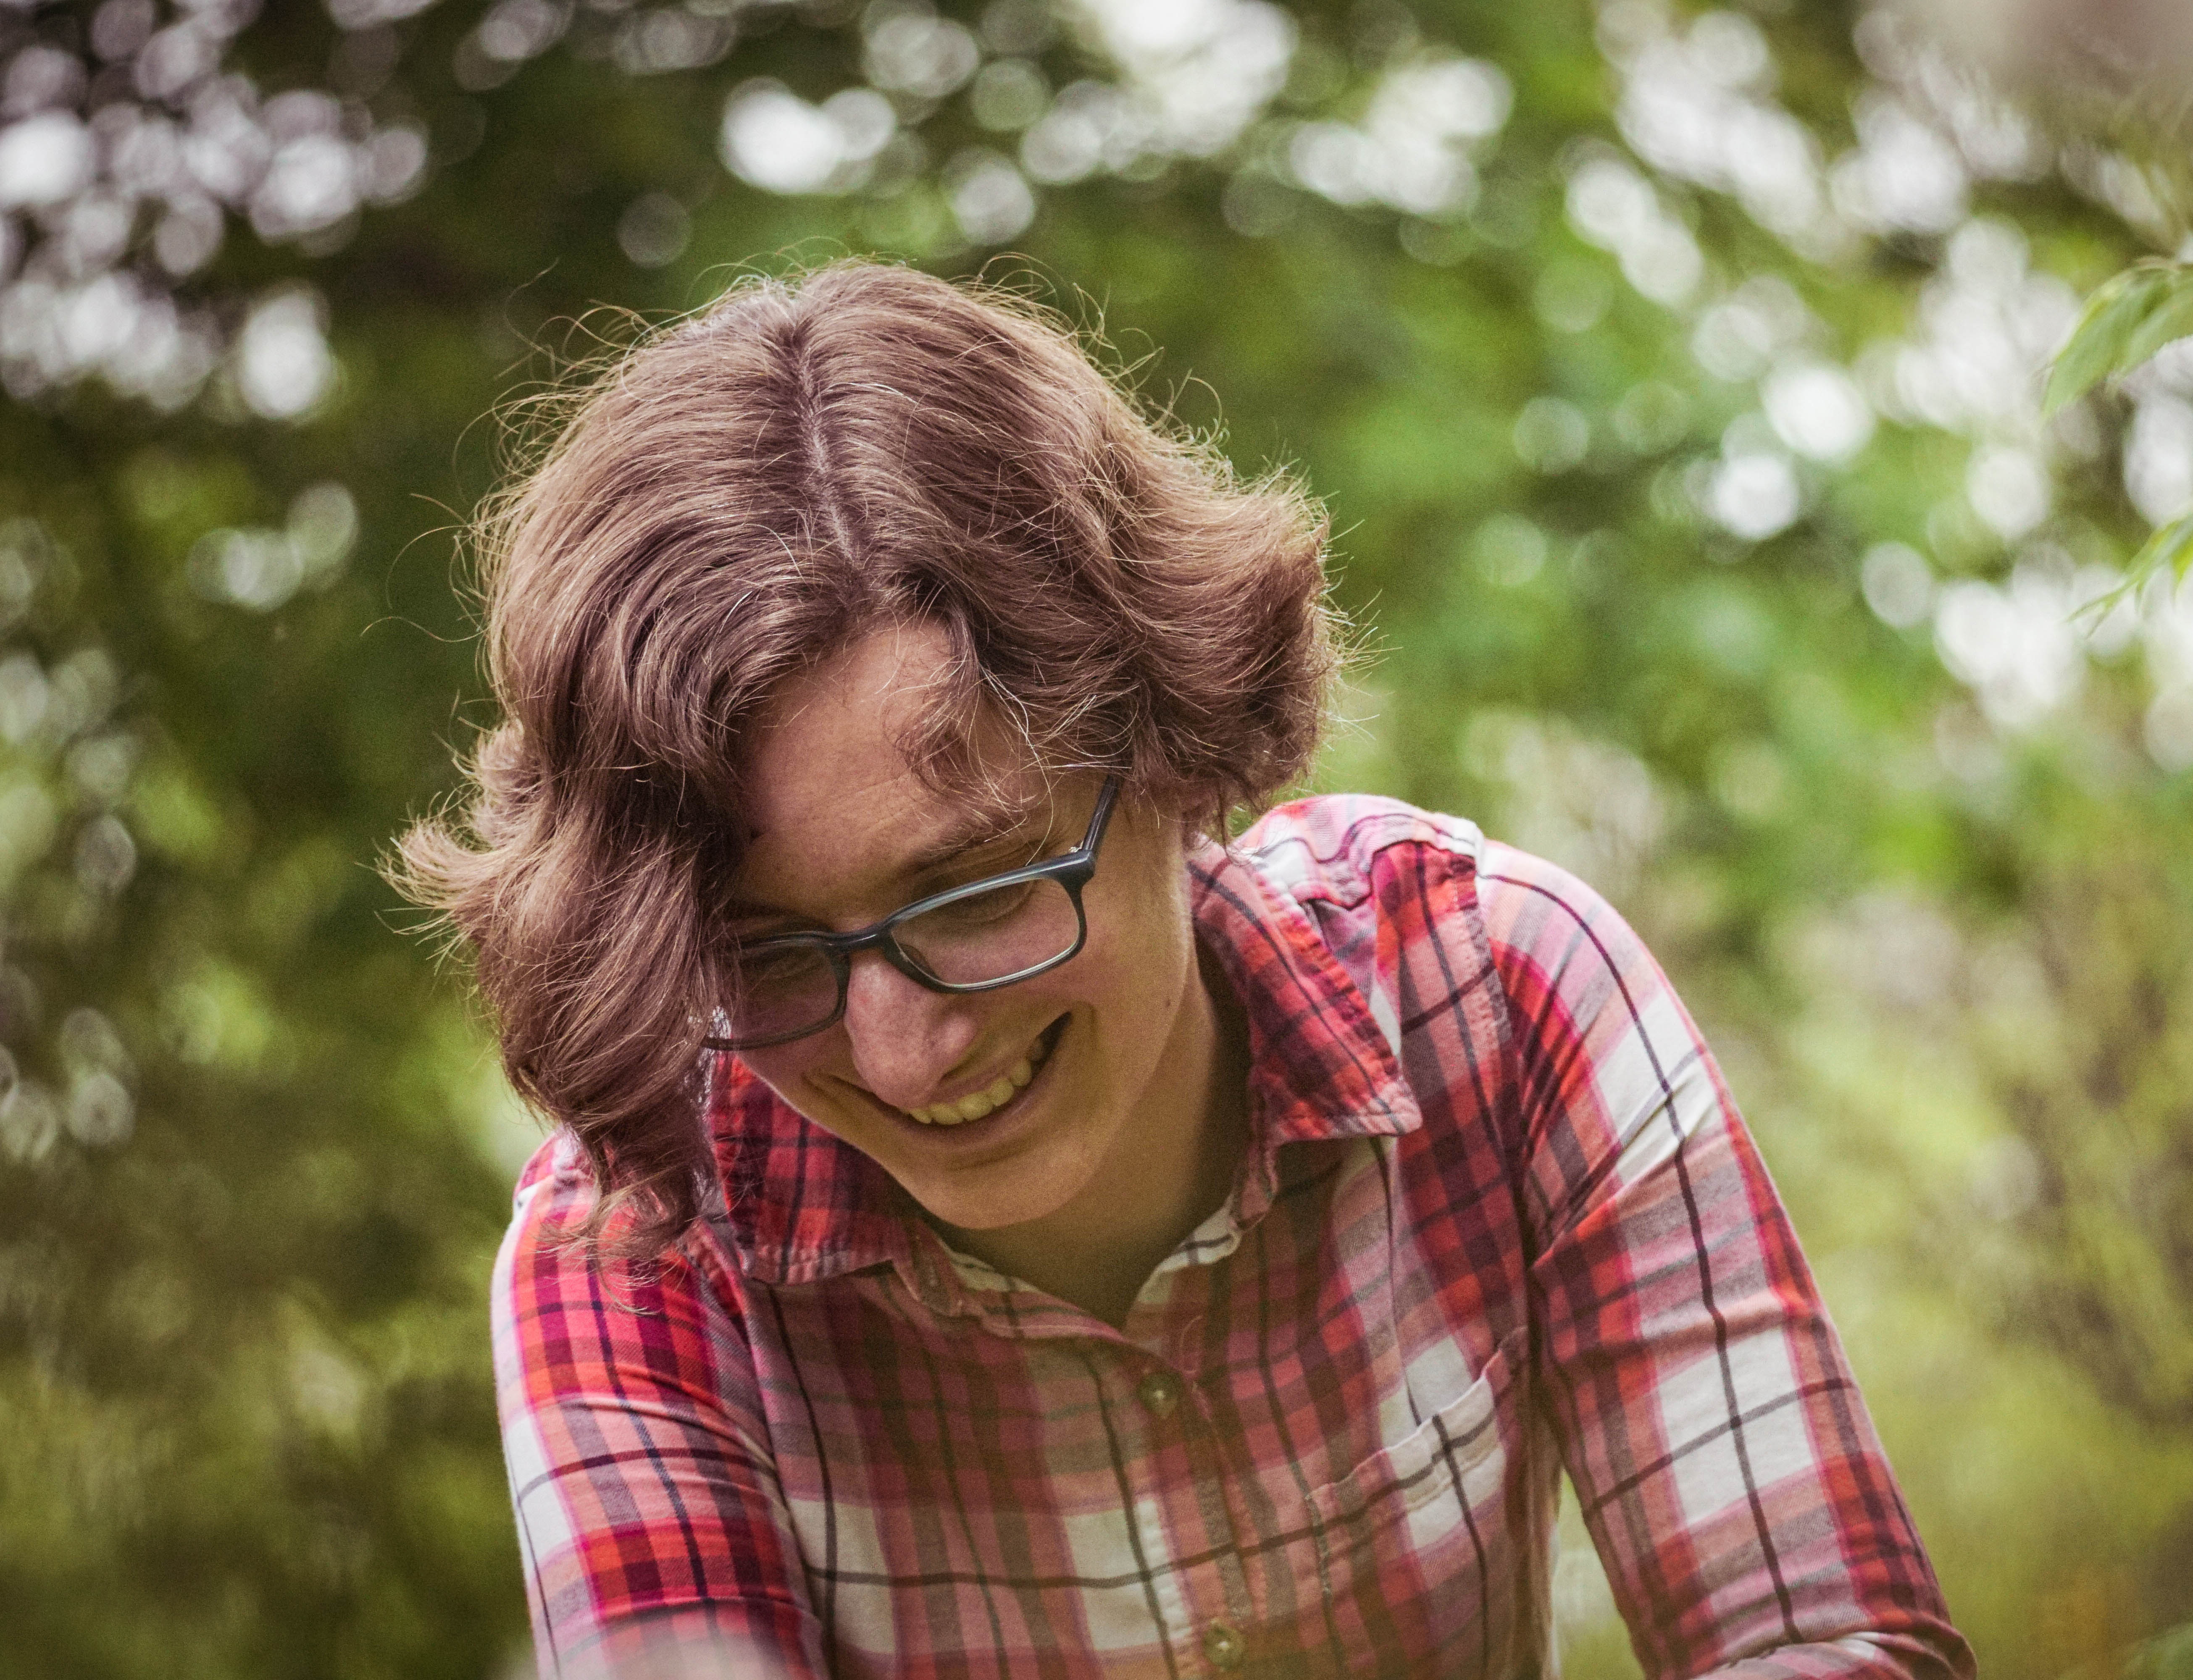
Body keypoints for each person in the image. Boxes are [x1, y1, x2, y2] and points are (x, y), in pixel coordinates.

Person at [400, 261, 1973, 1680]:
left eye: (969, 889)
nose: (901, 1052)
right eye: (769, 953)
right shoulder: (637, 1251)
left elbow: (1827, 1640)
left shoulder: (1500, 989)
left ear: (1166, 747)